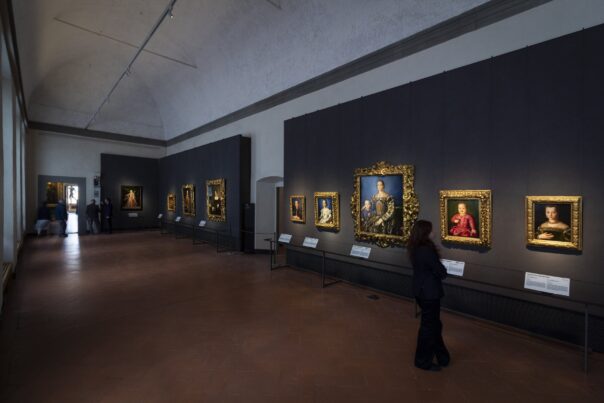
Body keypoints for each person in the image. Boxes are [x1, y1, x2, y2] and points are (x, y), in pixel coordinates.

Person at [407, 219, 449, 371]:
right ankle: (422, 361)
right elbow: (440, 271)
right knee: (429, 327)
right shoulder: (426, 250)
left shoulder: (415, 247)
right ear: (425, 232)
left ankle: (442, 356)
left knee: (434, 325)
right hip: (429, 293)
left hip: (421, 290)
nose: (434, 232)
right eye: (431, 230)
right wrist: (442, 271)